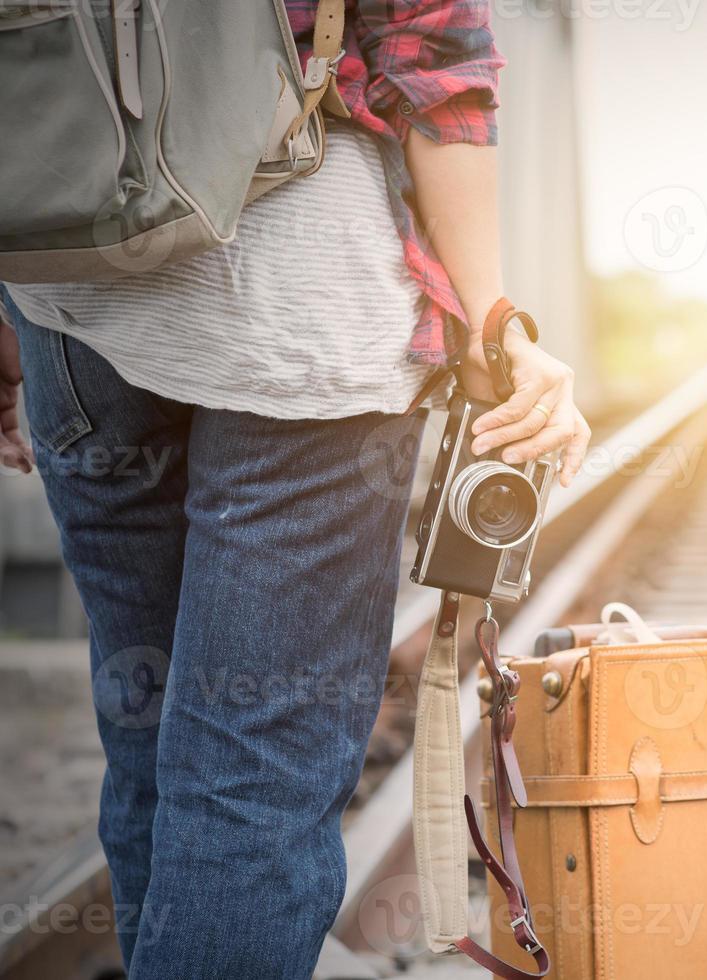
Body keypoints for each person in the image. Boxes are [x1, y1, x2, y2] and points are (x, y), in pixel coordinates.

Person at [0, 2, 589, 976]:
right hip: (297, 326)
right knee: (246, 783)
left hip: (73, 312)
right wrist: (493, 318)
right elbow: (432, 53)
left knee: (153, 752)